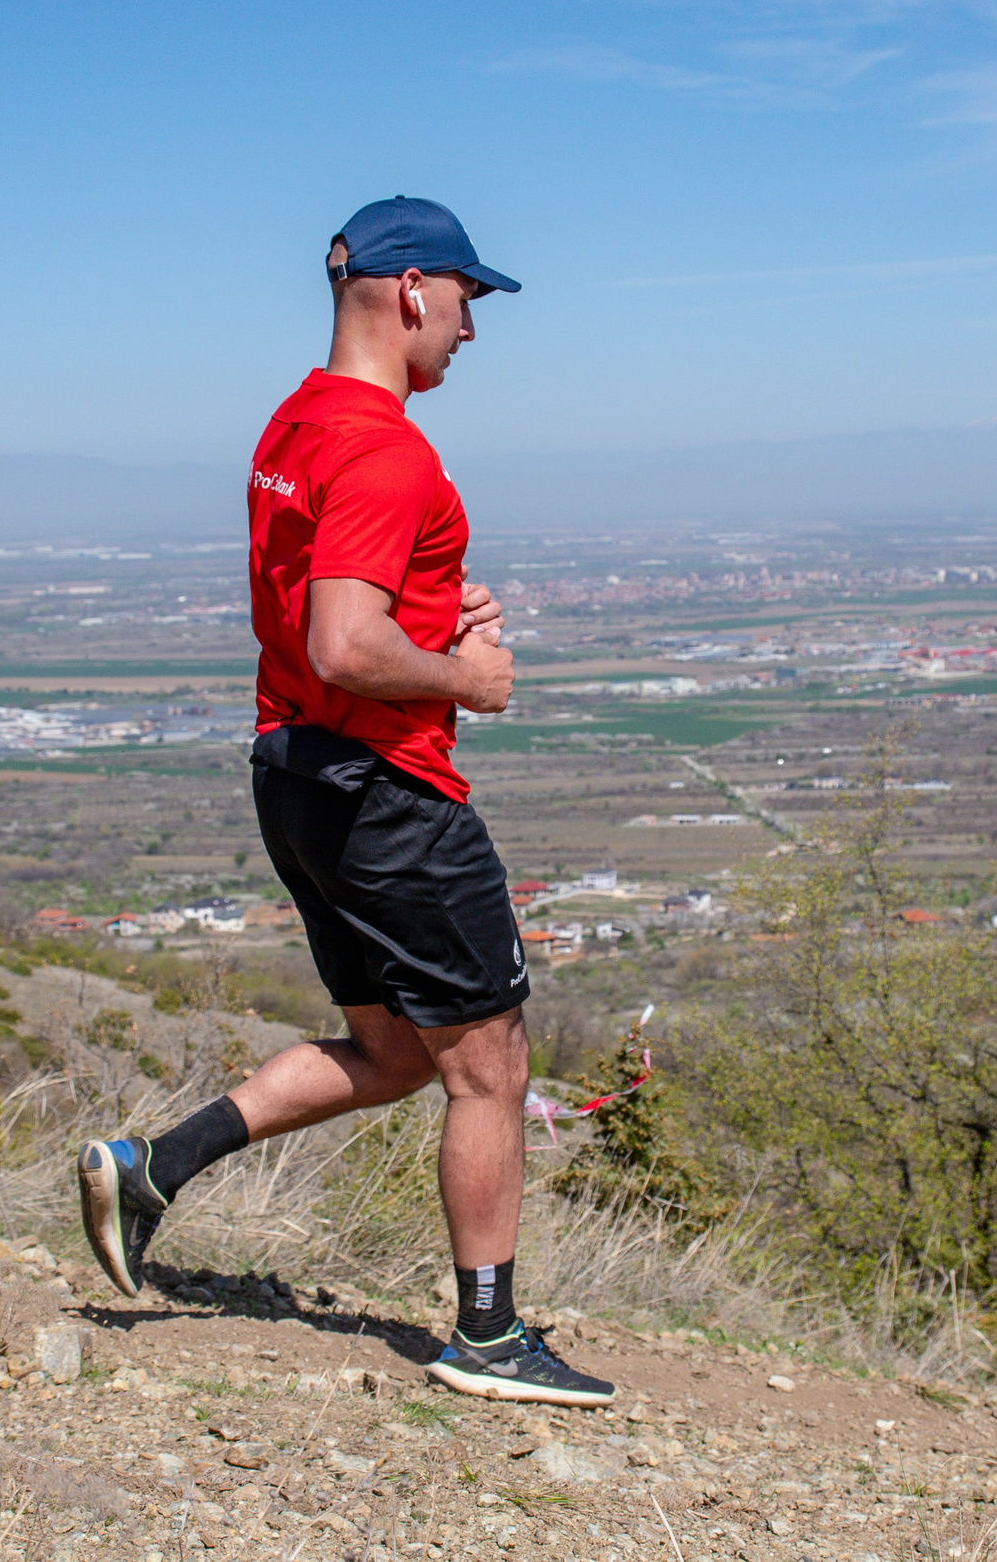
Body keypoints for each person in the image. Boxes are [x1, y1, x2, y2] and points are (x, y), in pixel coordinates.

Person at [77, 197, 614, 1408]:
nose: (474, 329)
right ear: (411, 288)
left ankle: (153, 1166)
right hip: (388, 792)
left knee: (389, 1049)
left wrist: (432, 621)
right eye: (469, 299)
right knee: (489, 1064)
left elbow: (332, 606)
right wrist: (465, 675)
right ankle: (486, 1336)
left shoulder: (297, 423)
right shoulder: (385, 447)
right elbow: (343, 641)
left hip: (298, 776)